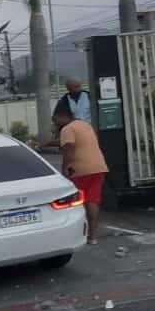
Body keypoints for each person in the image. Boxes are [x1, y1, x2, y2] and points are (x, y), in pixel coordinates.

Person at [53, 102, 107, 246]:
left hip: (80, 170)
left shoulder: (67, 129)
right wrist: (47, 144)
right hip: (99, 167)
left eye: (55, 119)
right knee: (92, 200)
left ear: (62, 117)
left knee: (76, 203)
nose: (55, 123)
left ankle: (78, 235)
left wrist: (64, 168)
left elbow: (69, 148)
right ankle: (93, 236)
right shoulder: (85, 125)